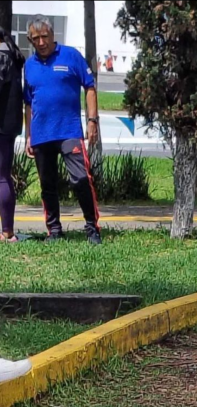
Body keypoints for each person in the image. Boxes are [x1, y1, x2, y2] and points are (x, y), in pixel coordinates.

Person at [23, 15, 102, 244]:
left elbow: (90, 87)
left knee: (80, 179)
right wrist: (28, 135)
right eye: (35, 38)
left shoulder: (71, 56)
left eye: (44, 37)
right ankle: (55, 231)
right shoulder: (29, 65)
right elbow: (28, 103)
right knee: (48, 185)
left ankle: (92, 228)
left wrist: (92, 121)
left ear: (52, 34)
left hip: (69, 131)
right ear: (30, 40)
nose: (41, 42)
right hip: (41, 135)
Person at [0, 27, 24, 243]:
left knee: (1, 178)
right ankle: (7, 230)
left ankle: (7, 232)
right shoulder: (13, 55)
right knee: (3, 176)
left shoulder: (1, 56)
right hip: (10, 125)